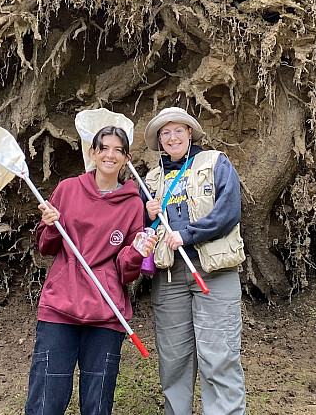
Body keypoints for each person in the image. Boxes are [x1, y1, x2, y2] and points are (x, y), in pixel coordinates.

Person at [24, 124, 157, 415]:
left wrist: (136, 253)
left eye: (118, 151)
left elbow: (126, 271)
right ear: (92, 153)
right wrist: (50, 225)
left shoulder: (134, 204)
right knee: (47, 398)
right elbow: (47, 247)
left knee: (97, 403)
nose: (110, 155)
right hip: (60, 307)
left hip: (107, 313)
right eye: (104, 148)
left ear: (127, 159)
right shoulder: (68, 189)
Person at [142, 106, 246, 415]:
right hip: (170, 276)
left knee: (219, 354)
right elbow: (139, 231)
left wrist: (187, 235)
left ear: (190, 133)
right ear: (159, 140)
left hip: (213, 270)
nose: (172, 137)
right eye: (165, 132)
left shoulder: (215, 163)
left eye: (178, 130)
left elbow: (228, 211)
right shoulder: (150, 179)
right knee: (173, 359)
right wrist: (146, 215)